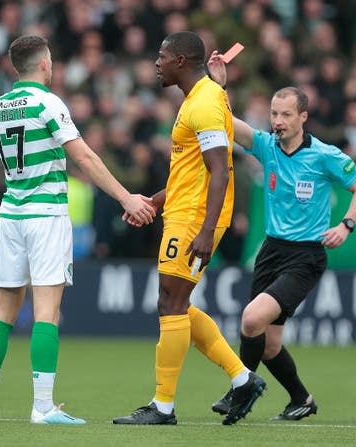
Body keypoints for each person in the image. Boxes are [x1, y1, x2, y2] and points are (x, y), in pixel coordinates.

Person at [0, 35, 155, 424]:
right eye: (51, 60)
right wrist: (127, 198)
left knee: (3, 310)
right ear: (43, 64)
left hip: (12, 212)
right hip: (45, 214)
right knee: (47, 314)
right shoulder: (48, 102)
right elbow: (84, 157)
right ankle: (42, 407)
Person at [207, 51, 356, 420]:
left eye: (285, 115)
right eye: (273, 114)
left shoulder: (326, 156)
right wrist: (218, 85)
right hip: (271, 251)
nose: (278, 121)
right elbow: (225, 121)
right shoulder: (267, 147)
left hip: (306, 256)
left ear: (303, 117)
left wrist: (346, 225)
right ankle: (301, 399)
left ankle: (241, 390)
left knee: (251, 320)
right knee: (269, 344)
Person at [112, 31, 266, 427]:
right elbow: (192, 170)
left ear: (181, 60)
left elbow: (220, 171)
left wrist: (206, 230)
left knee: (171, 303)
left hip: (196, 218)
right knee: (175, 303)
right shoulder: (199, 99)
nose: (156, 63)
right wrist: (155, 200)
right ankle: (242, 378)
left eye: (162, 56)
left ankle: (162, 407)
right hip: (182, 210)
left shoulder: (206, 104)